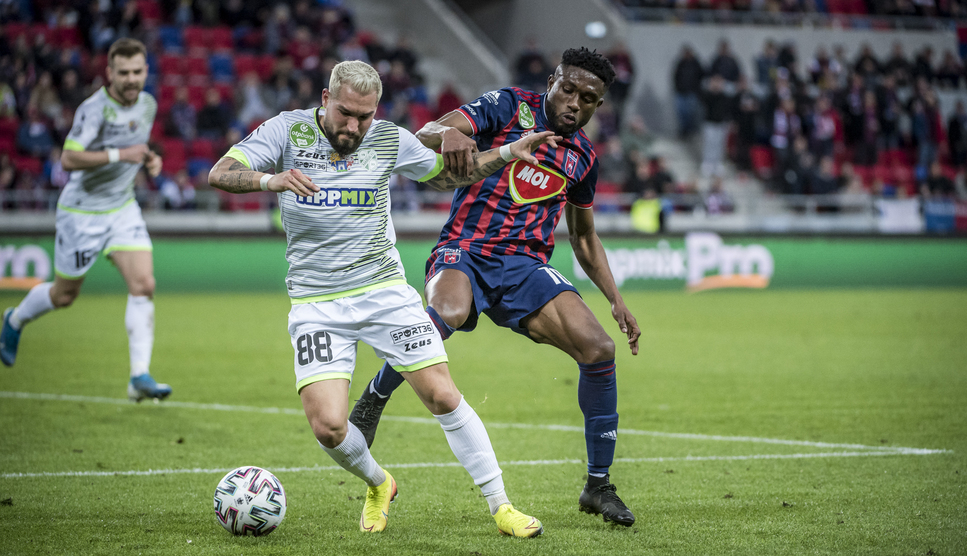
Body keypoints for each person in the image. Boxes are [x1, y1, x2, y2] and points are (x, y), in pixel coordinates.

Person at [207, 60, 557, 537]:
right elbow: (221, 172)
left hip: (384, 291)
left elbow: (449, 175)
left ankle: (502, 506)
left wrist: (510, 150)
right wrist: (272, 180)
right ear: (326, 99)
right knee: (329, 427)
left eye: (365, 116)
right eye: (346, 113)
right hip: (316, 302)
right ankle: (379, 483)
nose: (354, 127)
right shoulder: (286, 131)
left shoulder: (389, 138)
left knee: (442, 394)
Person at [349, 47, 642, 527]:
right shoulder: (508, 107)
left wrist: (616, 299)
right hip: (465, 248)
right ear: (552, 82)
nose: (574, 103)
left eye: (587, 99)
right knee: (448, 311)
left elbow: (584, 236)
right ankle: (374, 398)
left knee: (599, 349)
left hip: (525, 266)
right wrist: (448, 134)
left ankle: (598, 485)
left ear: (599, 105)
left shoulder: (583, 158)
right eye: (568, 89)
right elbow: (428, 132)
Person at [1, 38, 169, 403]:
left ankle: (139, 377)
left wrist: (149, 160)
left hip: (122, 207)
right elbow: (69, 159)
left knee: (144, 284)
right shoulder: (94, 110)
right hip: (82, 212)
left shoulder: (148, 104)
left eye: (137, 72)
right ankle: (14, 319)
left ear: (146, 71)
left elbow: (137, 148)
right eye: (123, 73)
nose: (131, 79)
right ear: (109, 73)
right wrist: (122, 154)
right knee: (64, 295)